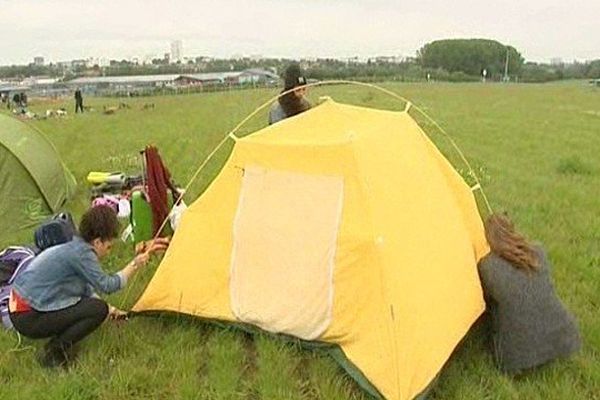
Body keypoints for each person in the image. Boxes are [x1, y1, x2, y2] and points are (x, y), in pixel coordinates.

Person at [8, 206, 168, 368]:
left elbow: (85, 287)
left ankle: (59, 342)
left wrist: (112, 310)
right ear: (98, 241)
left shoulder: (75, 245)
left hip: (20, 306)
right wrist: (135, 264)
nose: (108, 252)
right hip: (27, 315)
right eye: (108, 247)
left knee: (99, 307)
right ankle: (54, 353)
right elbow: (108, 285)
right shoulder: (82, 254)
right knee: (98, 310)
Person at [478, 213, 581, 375]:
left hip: (516, 359)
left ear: (488, 239)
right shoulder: (538, 251)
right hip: (563, 339)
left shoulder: (487, 266)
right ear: (512, 230)